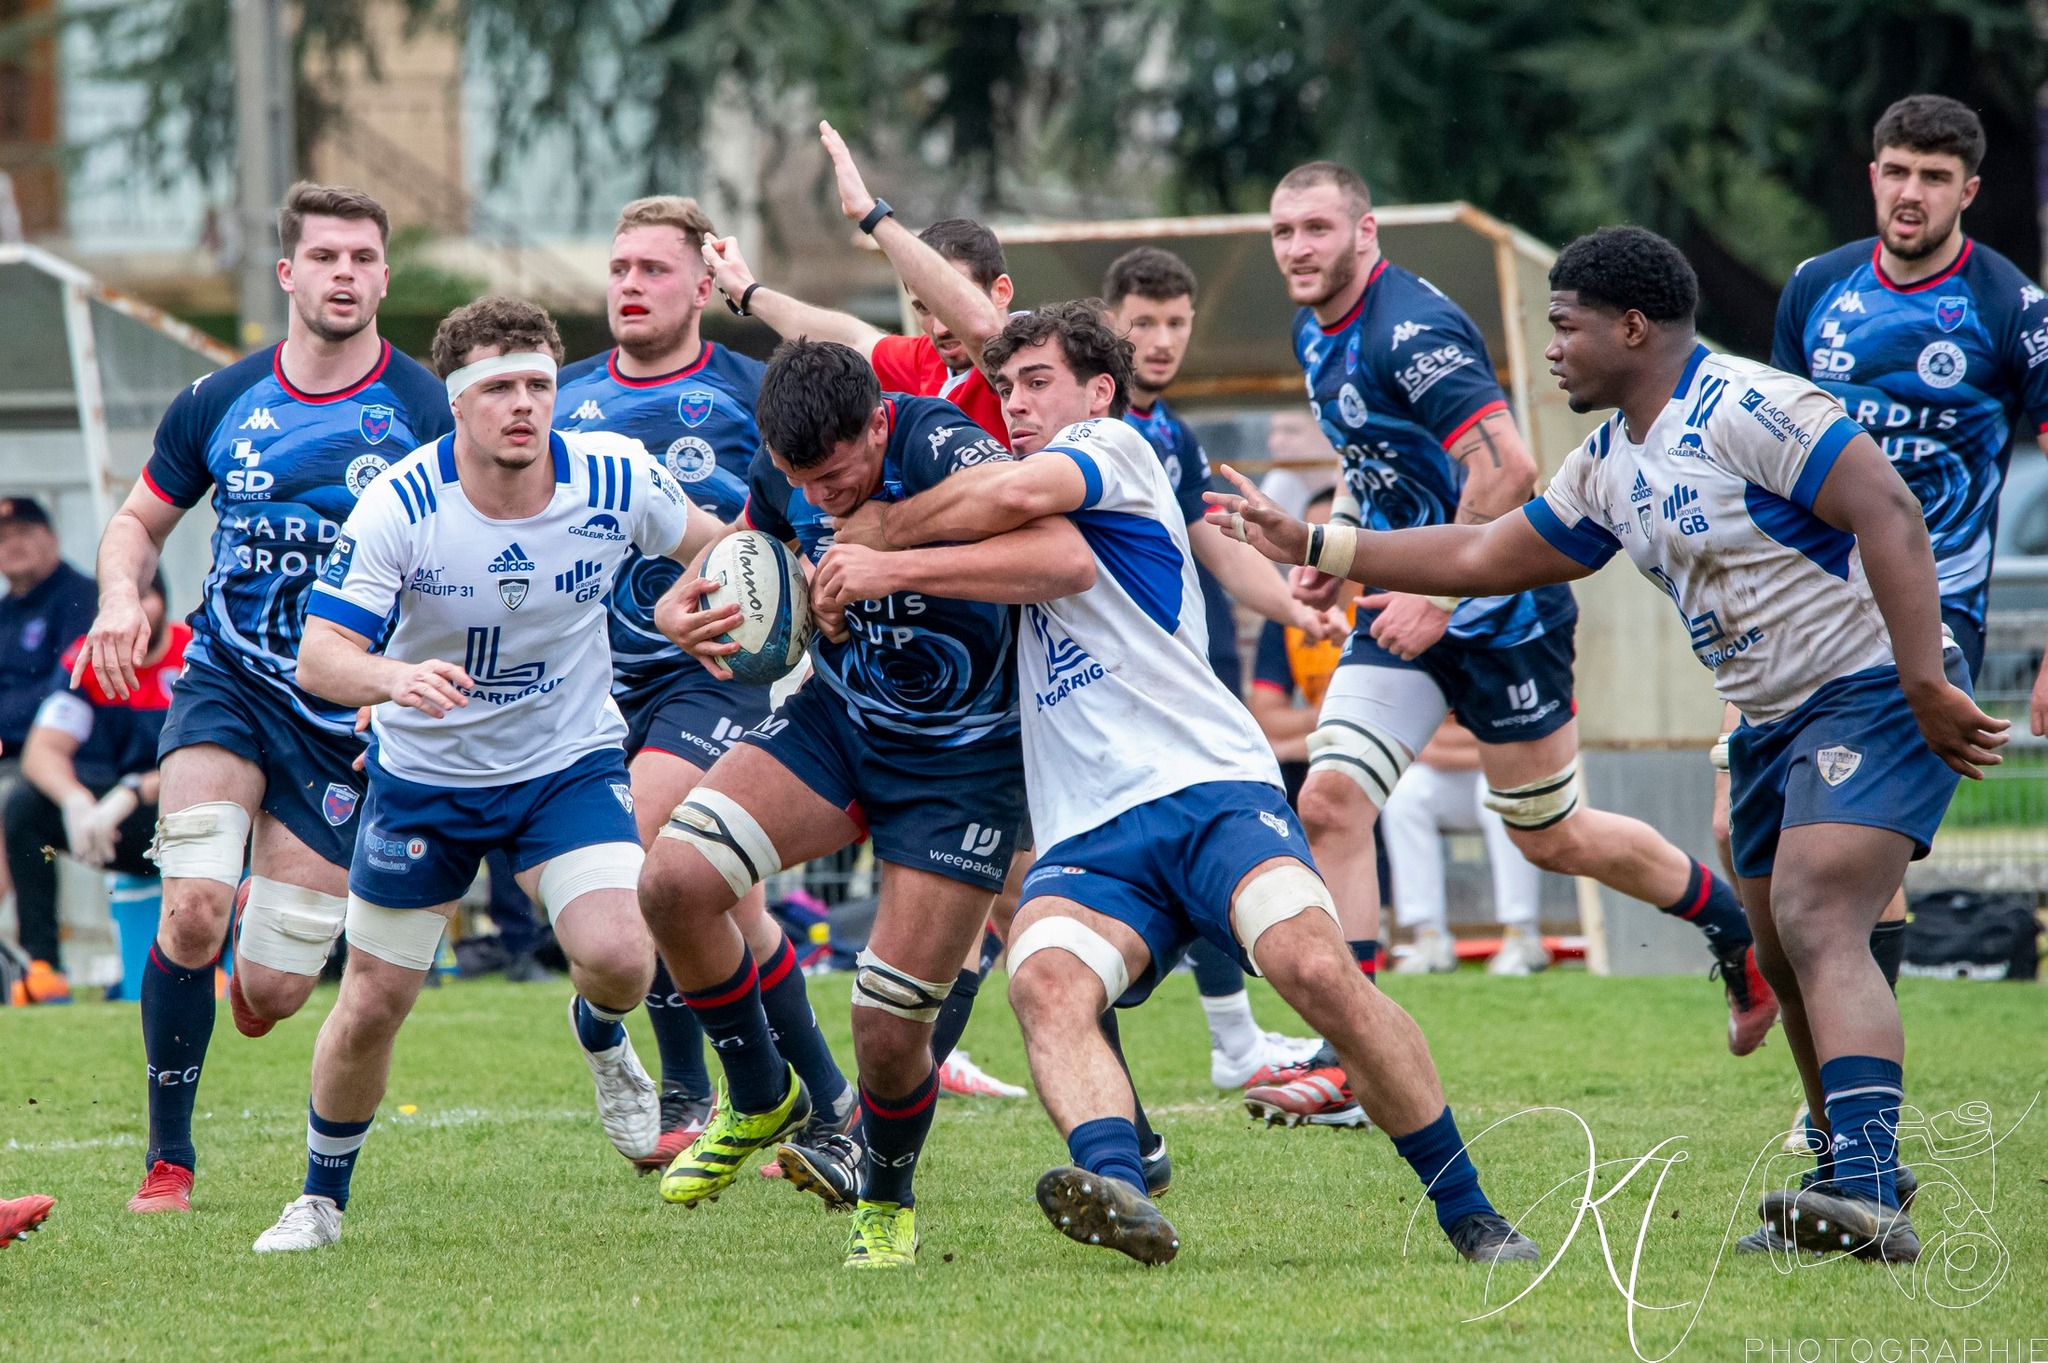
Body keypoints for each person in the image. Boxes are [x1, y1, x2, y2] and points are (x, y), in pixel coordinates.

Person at [1207, 225, 2005, 1264]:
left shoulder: (1748, 404)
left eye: (1564, 325)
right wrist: (1318, 541)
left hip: (1871, 685)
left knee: (1817, 914)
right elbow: (1485, 552)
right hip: (1769, 713)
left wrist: (1925, 679)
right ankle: (1848, 1169)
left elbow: (1887, 508)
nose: (1549, 348)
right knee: (1776, 943)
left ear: (1631, 327)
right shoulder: (1606, 462)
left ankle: (1864, 1189)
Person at [814, 301, 1542, 1267]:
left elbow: (1009, 493)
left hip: (1209, 790)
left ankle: (1471, 1211)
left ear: (1097, 391)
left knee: (1315, 969)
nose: (1015, 403)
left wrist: (879, 535)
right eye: (1005, 387)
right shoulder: (1001, 509)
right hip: (1088, 831)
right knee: (1044, 981)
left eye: (1037, 382)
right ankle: (1120, 1187)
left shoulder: (1109, 447)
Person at [1267, 161, 1774, 1072]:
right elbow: (1368, 455)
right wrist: (1337, 542)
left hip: (1501, 612)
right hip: (1400, 597)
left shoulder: (1409, 331)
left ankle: (1734, 930)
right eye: (1283, 231)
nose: (1297, 248)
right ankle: (1351, 1053)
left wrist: (1439, 597)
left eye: (1316, 228)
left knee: (1552, 836)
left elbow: (1507, 469)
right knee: (1331, 801)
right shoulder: (1316, 329)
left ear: (1365, 232)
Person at [249, 297, 728, 1252]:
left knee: (623, 957)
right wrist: (393, 678)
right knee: (372, 1004)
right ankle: (319, 1200)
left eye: (539, 385)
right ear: (458, 402)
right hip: (427, 778)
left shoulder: (614, 475)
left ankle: (600, 1032)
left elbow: (717, 544)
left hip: (565, 761)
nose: (524, 405)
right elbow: (320, 657)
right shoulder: (402, 503)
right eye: (500, 387)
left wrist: (687, 599)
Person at [73, 183, 452, 1216]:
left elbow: (460, 559)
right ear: (288, 273)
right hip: (228, 678)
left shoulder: (425, 410)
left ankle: (255, 945)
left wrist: (403, 691)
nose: (344, 274)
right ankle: (169, 1160)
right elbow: (136, 523)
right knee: (192, 904)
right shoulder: (220, 399)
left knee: (275, 992)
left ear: (384, 276)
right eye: (324, 256)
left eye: (362, 258)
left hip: (341, 713)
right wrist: (120, 597)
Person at [638, 339, 1034, 1269]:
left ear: (879, 423)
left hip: (962, 764)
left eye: (838, 476)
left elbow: (1056, 554)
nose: (821, 497)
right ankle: (758, 1090)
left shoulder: (939, 444)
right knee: (672, 882)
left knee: (887, 1029)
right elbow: (748, 544)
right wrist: (679, 607)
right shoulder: (787, 472)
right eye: (801, 478)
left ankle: (886, 1198)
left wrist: (891, 560)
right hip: (838, 724)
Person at [555, 195, 853, 1171]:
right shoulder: (557, 398)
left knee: (645, 850)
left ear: (700, 284)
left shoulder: (752, 390)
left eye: (653, 269)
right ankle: (829, 1099)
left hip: (719, 674)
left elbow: (809, 514)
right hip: (595, 680)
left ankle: (685, 1090)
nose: (630, 285)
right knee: (727, 901)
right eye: (619, 268)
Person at [1102, 245, 1330, 1089]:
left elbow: (1219, 549)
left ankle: (1234, 1040)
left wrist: (1295, 607)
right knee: (1017, 873)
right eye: (1144, 322)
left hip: (1172, 676)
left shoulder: (1172, 434)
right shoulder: (1088, 428)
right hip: (1095, 683)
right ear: (1112, 322)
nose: (1162, 340)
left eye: (1175, 323)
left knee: (1198, 827)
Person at [700, 121, 1012, 446]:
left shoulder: (1030, 353)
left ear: (1001, 292)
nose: (942, 327)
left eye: (949, 304)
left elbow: (982, 331)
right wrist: (748, 293)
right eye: (924, 308)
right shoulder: (925, 361)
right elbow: (851, 338)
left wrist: (870, 214)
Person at [5, 571, 186, 1001]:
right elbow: (42, 750)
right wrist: (75, 800)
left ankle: (213, 965)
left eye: (145, 597)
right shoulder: (88, 658)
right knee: (24, 807)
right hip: (119, 821)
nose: (133, 613)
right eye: (121, 601)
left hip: (184, 809)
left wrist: (134, 791)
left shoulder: (194, 654)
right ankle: (43, 969)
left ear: (163, 601)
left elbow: (217, 753)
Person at [1381, 720, 1549, 977]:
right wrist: (1483, 742)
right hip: (1459, 773)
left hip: (1526, 774)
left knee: (1500, 791)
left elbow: (1520, 738)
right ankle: (1429, 936)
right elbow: (1416, 740)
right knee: (1405, 793)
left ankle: (1522, 934)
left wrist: (1442, 743)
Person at [0, 496, 96, 914]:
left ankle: (36, 951)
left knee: (11, 804)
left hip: (67, 754)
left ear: (52, 538)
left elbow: (67, 688)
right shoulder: (5, 613)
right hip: (10, 754)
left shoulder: (83, 598)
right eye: (2, 538)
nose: (12, 545)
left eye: (24, 532)